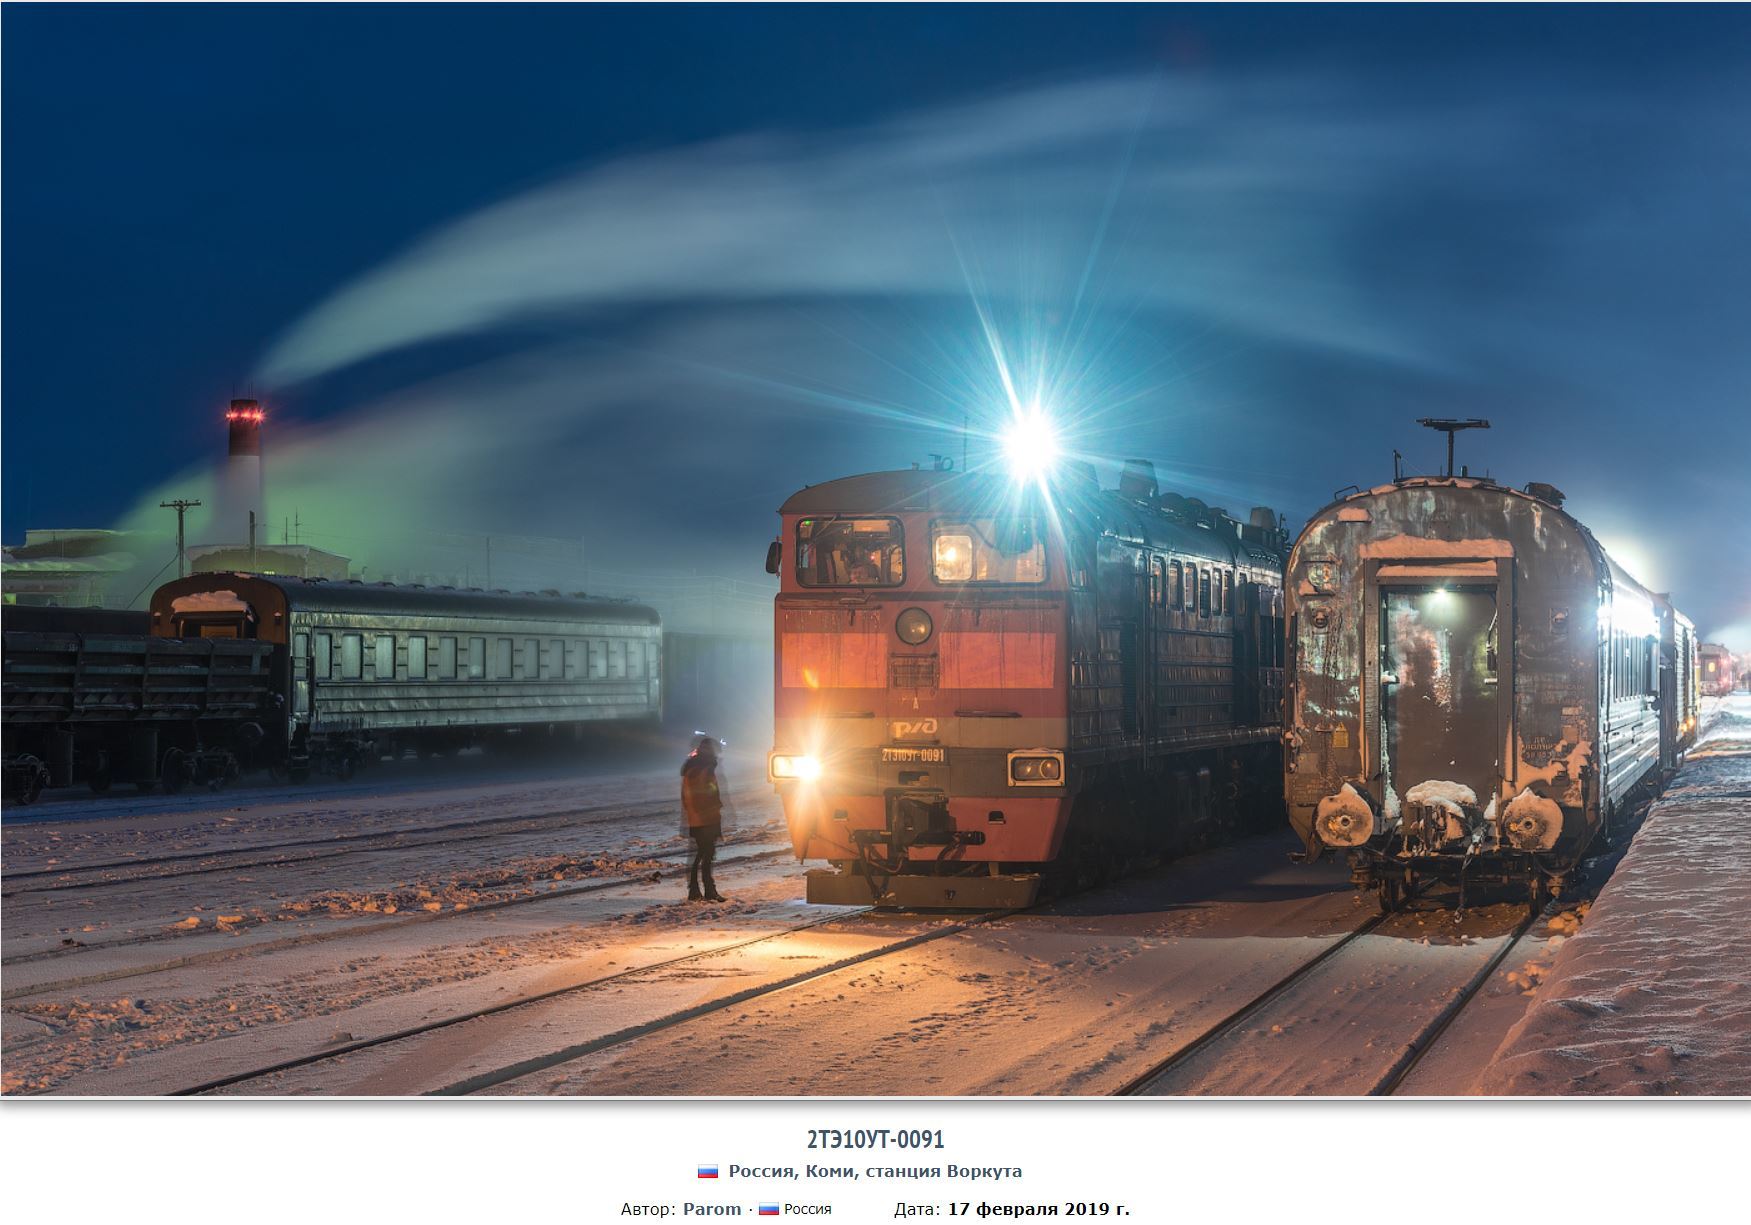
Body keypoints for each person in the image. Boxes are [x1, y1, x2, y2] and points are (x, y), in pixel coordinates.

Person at [680, 735, 727, 902]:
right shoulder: (701, 770)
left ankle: (699, 890)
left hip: (700, 818)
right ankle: (704, 890)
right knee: (705, 855)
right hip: (705, 819)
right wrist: (710, 812)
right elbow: (703, 795)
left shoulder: (695, 768)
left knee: (703, 855)